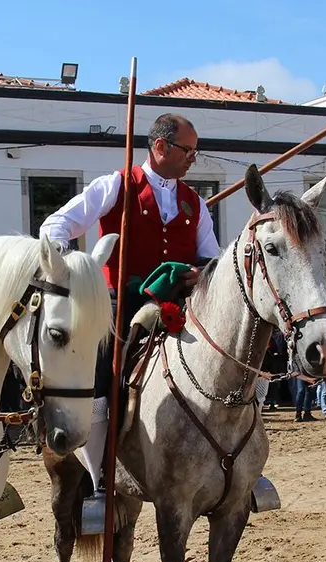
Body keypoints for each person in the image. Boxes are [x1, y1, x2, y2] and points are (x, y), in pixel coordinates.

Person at [39, 113, 219, 526]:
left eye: (194, 151)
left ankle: (241, 467)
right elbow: (55, 226)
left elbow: (211, 255)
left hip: (182, 306)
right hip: (121, 305)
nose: (193, 158)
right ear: (160, 147)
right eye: (188, 150)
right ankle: (101, 477)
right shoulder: (114, 185)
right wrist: (78, 268)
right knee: (100, 379)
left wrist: (202, 271)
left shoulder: (195, 202)